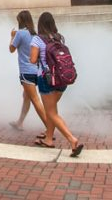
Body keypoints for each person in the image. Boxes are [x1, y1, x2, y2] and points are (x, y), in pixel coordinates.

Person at [32, 12, 83, 157]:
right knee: (51, 111)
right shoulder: (59, 37)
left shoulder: (37, 39)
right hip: (62, 79)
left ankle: (72, 140)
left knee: (51, 113)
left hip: (46, 79)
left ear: (40, 24)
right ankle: (48, 139)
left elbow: (33, 59)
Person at [7, 10, 50, 145]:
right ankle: (20, 122)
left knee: (35, 99)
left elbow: (11, 49)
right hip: (37, 70)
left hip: (26, 72)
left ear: (21, 20)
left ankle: (50, 128)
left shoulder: (20, 33)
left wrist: (11, 36)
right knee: (26, 97)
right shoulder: (35, 34)